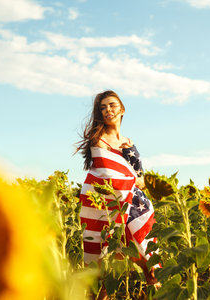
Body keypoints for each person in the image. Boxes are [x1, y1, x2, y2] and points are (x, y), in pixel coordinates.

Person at [76, 90, 159, 297]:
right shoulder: (99, 141)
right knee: (104, 265)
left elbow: (138, 174)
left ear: (122, 109)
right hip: (108, 205)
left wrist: (134, 161)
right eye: (103, 107)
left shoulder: (128, 142)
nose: (108, 110)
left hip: (132, 206)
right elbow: (107, 174)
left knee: (147, 263)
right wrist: (137, 181)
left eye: (112, 105)